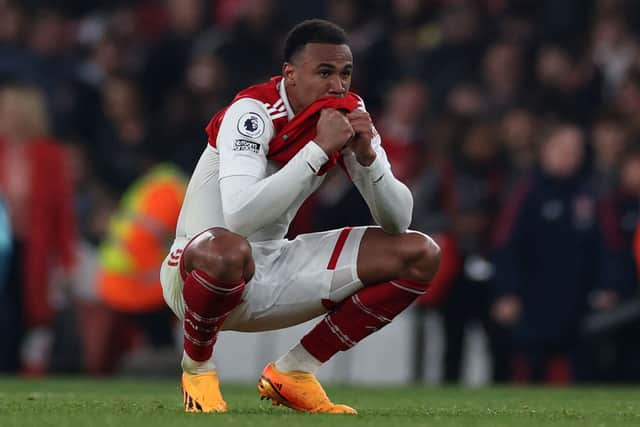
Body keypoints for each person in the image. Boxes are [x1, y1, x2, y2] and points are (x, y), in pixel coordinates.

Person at [160, 19, 440, 414]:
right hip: (197, 272)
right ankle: (198, 369)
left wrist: (368, 158)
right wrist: (318, 150)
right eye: (324, 72)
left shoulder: (347, 113)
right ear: (290, 75)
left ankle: (294, 372)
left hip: (271, 269)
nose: (337, 85)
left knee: (420, 253)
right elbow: (238, 217)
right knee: (229, 250)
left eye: (345, 73)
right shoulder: (251, 112)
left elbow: (399, 220)